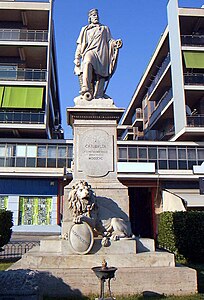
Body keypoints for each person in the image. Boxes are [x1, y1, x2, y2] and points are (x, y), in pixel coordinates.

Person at [74, 8, 122, 100]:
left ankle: (99, 94)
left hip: (102, 53)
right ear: (90, 18)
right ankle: (86, 88)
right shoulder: (85, 29)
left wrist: (116, 43)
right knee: (87, 62)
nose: (96, 17)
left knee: (101, 75)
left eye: (97, 15)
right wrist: (77, 57)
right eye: (94, 15)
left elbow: (110, 41)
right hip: (90, 51)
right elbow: (80, 45)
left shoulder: (105, 28)